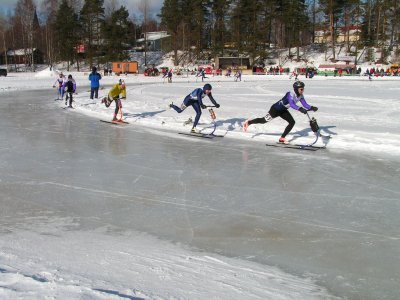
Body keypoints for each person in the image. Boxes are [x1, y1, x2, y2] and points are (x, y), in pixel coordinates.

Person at [242, 81, 318, 144]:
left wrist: (311, 107)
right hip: (275, 109)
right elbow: (292, 104)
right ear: (296, 89)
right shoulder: (290, 94)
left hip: (283, 110)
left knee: (292, 122)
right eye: (301, 89)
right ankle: (248, 123)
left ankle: (282, 138)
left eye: (303, 89)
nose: (302, 91)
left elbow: (305, 104)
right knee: (263, 121)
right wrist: (300, 109)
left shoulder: (301, 95)